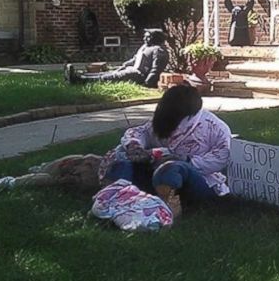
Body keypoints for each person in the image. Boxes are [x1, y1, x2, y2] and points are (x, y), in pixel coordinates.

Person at [99, 84, 231, 216]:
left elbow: (222, 157)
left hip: (197, 180)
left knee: (171, 168)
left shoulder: (216, 128)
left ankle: (166, 210)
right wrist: (135, 146)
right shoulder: (162, 119)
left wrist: (185, 160)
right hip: (153, 174)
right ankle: (111, 201)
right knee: (123, 161)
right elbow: (141, 132)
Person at [66, 29, 169, 88]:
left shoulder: (158, 50)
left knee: (112, 77)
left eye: (148, 37)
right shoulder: (145, 47)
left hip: (138, 74)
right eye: (145, 36)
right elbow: (135, 59)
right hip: (132, 69)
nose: (144, 39)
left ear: (156, 38)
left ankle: (80, 80)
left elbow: (156, 69)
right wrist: (125, 64)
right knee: (109, 73)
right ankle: (82, 75)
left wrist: (148, 83)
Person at [0, 154, 103, 192]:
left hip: (97, 179)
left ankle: (10, 183)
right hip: (101, 165)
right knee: (77, 159)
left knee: (48, 179)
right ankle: (44, 167)